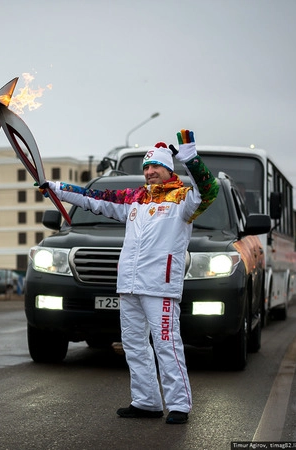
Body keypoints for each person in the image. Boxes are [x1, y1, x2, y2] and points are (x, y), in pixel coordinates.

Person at [38, 130, 218, 424]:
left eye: (155, 167)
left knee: (166, 343)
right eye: (146, 168)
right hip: (130, 284)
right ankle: (146, 401)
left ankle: (179, 405)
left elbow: (209, 190)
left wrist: (191, 157)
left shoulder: (184, 199)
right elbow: (93, 198)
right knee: (133, 343)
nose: (149, 172)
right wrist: (56, 188)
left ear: (169, 169)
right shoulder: (135, 199)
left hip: (160, 284)